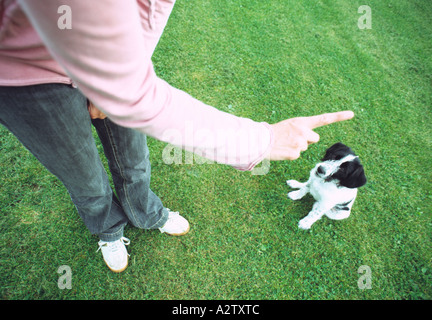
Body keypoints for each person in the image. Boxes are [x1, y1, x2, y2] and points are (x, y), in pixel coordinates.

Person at [0, 0, 354, 272]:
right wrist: (259, 140)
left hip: (121, 58)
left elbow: (149, 11)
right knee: (83, 175)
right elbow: (133, 94)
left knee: (133, 155)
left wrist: (127, 70)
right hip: (27, 78)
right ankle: (107, 227)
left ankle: (145, 213)